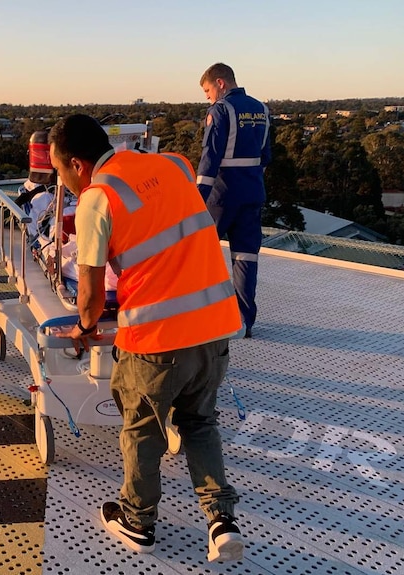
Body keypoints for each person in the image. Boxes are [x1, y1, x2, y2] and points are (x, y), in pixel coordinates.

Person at [49, 114, 245, 563]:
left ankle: (138, 521)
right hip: (215, 325)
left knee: (141, 429)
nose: (64, 181)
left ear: (77, 165)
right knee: (199, 422)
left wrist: (83, 328)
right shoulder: (172, 164)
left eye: (60, 172)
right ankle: (221, 521)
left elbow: (91, 295)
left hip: (158, 335)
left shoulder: (97, 199)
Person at [197, 63, 271, 338]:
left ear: (220, 83)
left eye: (207, 90)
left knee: (200, 254)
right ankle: (243, 322)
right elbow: (266, 157)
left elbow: (210, 159)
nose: (207, 97)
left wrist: (197, 199)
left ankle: (201, 316)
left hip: (221, 195)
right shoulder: (262, 110)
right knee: (245, 257)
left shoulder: (220, 110)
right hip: (253, 192)